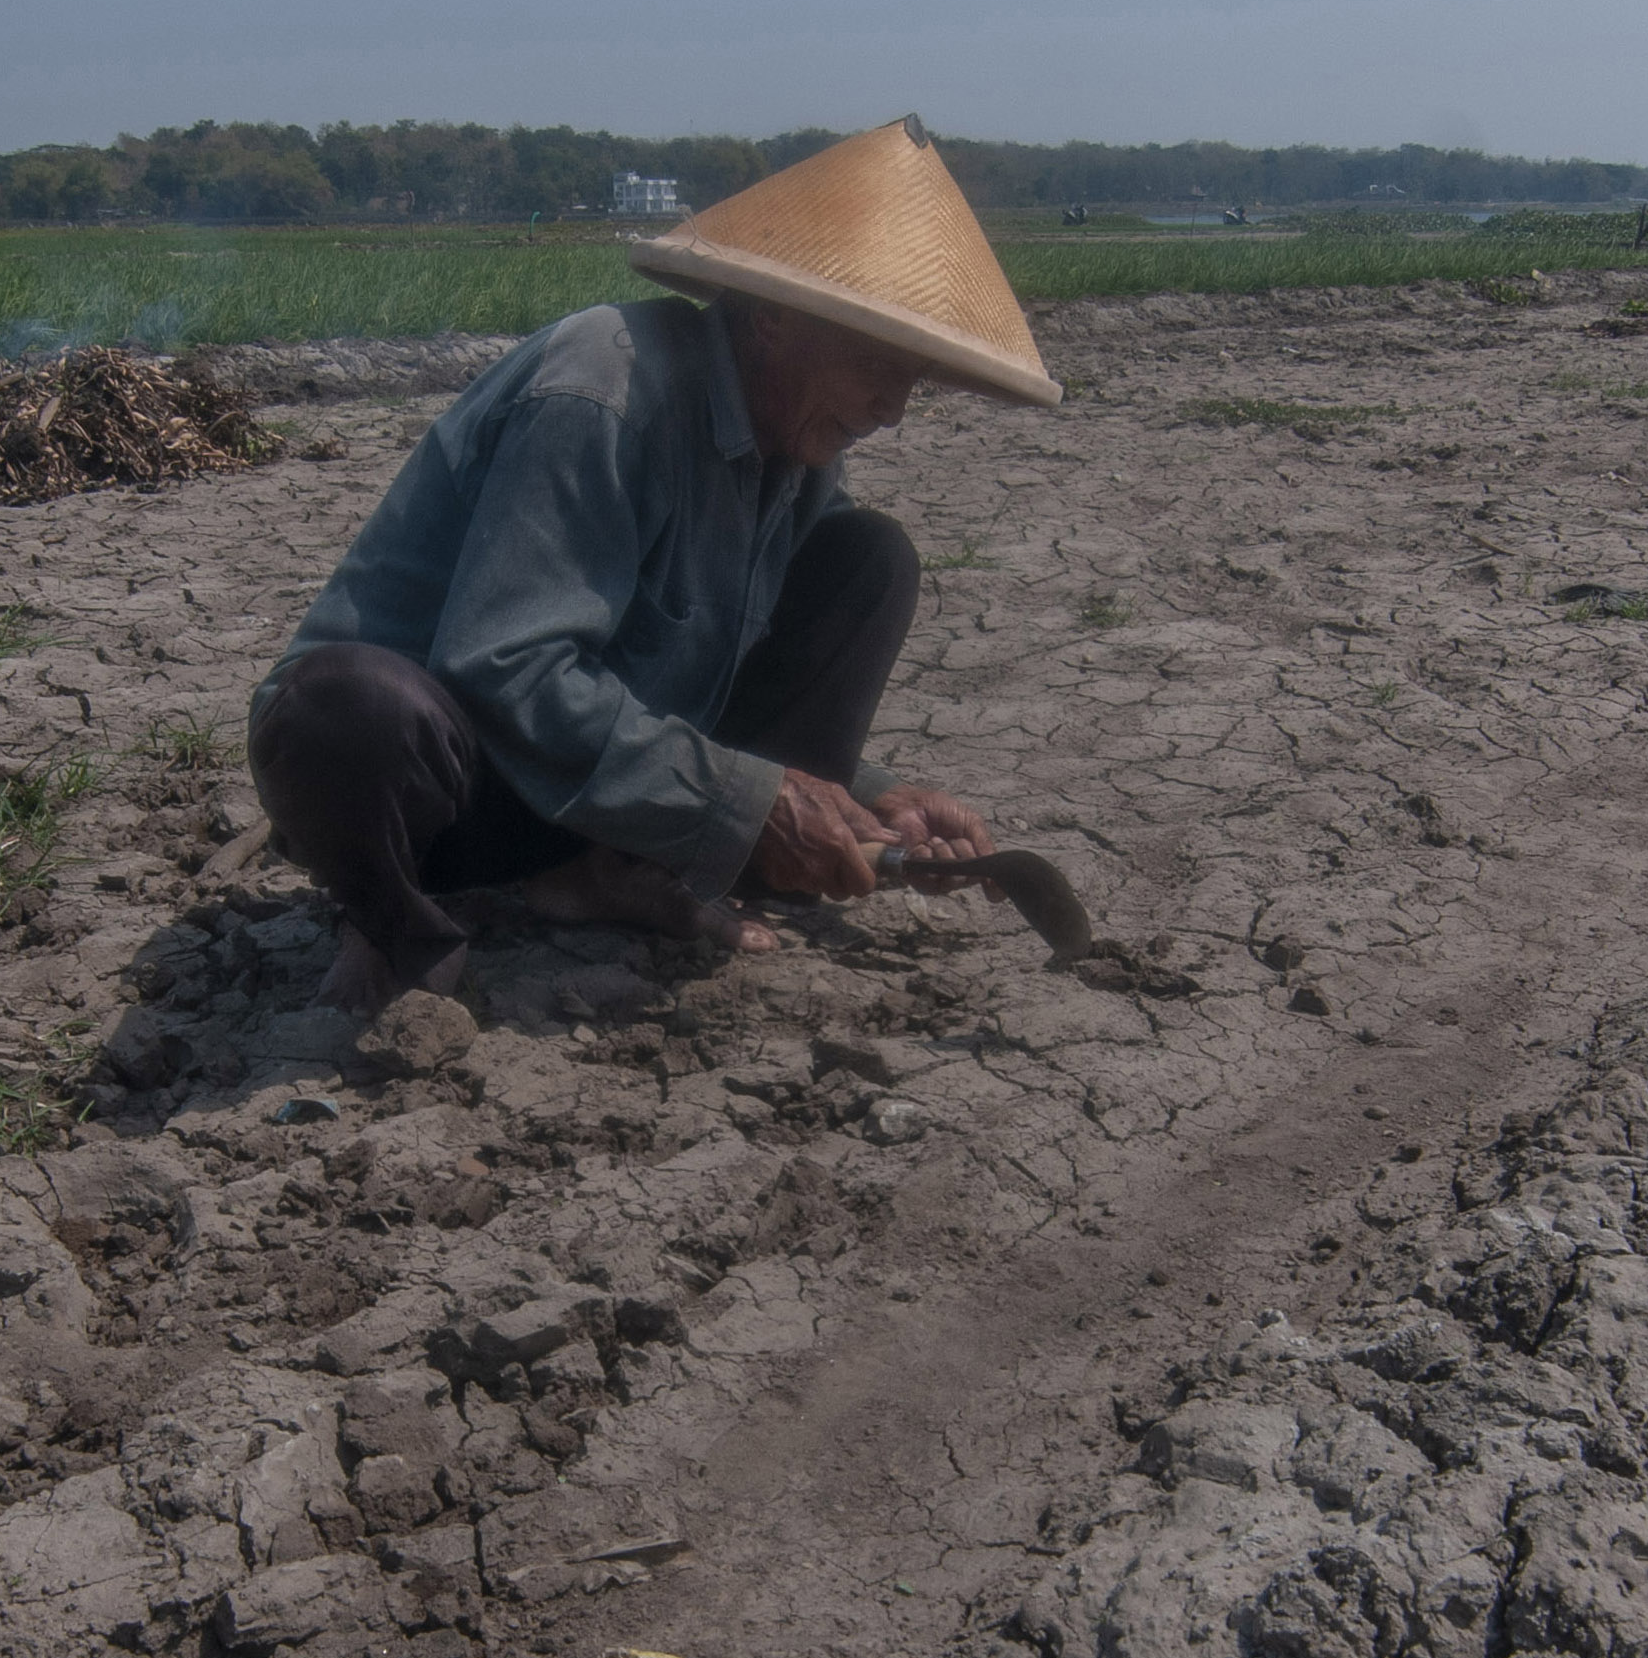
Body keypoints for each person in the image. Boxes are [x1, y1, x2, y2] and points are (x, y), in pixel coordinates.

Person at [248, 117, 1061, 1014]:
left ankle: (607, 872)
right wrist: (749, 800)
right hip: (442, 800)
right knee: (346, 707)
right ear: (774, 317)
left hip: (596, 796)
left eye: (916, 381)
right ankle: (398, 925)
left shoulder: (796, 449)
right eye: (878, 364)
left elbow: (716, 676)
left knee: (868, 561)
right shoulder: (603, 390)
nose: (893, 410)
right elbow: (503, 669)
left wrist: (867, 803)